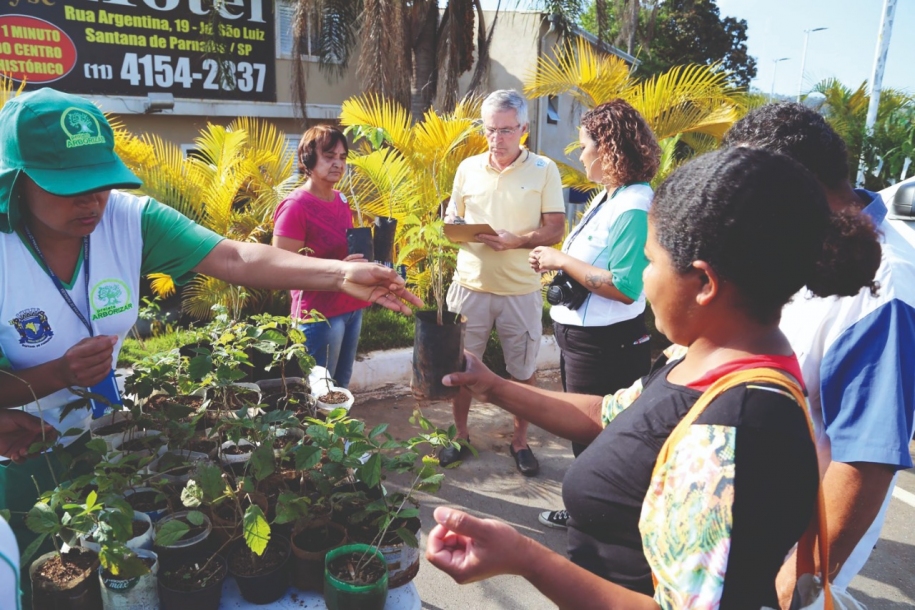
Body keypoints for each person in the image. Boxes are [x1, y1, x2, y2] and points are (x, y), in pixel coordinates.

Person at [0, 88, 421, 609]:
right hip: (18, 451)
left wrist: (339, 273)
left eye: (101, 182)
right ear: (17, 179)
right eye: (70, 187)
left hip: (100, 431)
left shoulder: (127, 219)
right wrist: (57, 373)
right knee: (38, 577)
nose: (92, 201)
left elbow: (235, 259)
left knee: (115, 565)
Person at [426, 147, 882, 607]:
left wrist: (526, 557)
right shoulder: (705, 360)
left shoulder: (733, 429)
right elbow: (608, 413)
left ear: (704, 283)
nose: (642, 279)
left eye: (650, 261)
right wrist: (493, 386)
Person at [721, 103, 915, 606]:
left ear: (793, 188)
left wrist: (801, 575)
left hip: (794, 540)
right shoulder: (803, 243)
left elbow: (866, 458)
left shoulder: (884, 288)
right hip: (745, 510)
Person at [529, 99, 658, 528]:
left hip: (605, 345)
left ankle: (596, 519)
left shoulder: (633, 205)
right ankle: (593, 510)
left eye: (584, 145)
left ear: (608, 150)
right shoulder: (613, 197)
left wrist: (562, 262)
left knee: (594, 433)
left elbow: (624, 286)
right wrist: (559, 260)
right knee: (587, 433)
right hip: (584, 340)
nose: (579, 154)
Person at [439, 89, 565, 476]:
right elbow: (450, 223)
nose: (496, 139)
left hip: (521, 290)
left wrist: (519, 239)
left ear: (524, 129)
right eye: (490, 130)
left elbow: (555, 229)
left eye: (506, 130)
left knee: (523, 372)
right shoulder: (468, 168)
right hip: (469, 286)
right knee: (458, 368)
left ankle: (520, 441)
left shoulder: (545, 169)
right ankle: (459, 435)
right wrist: (455, 226)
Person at [272, 125, 370, 388]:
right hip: (318, 316)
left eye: (342, 157)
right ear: (308, 159)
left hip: (351, 307)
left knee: (340, 387)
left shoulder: (342, 200)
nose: (338, 163)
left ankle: (337, 431)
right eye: (329, 156)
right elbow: (280, 266)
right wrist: (339, 268)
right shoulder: (295, 206)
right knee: (317, 392)